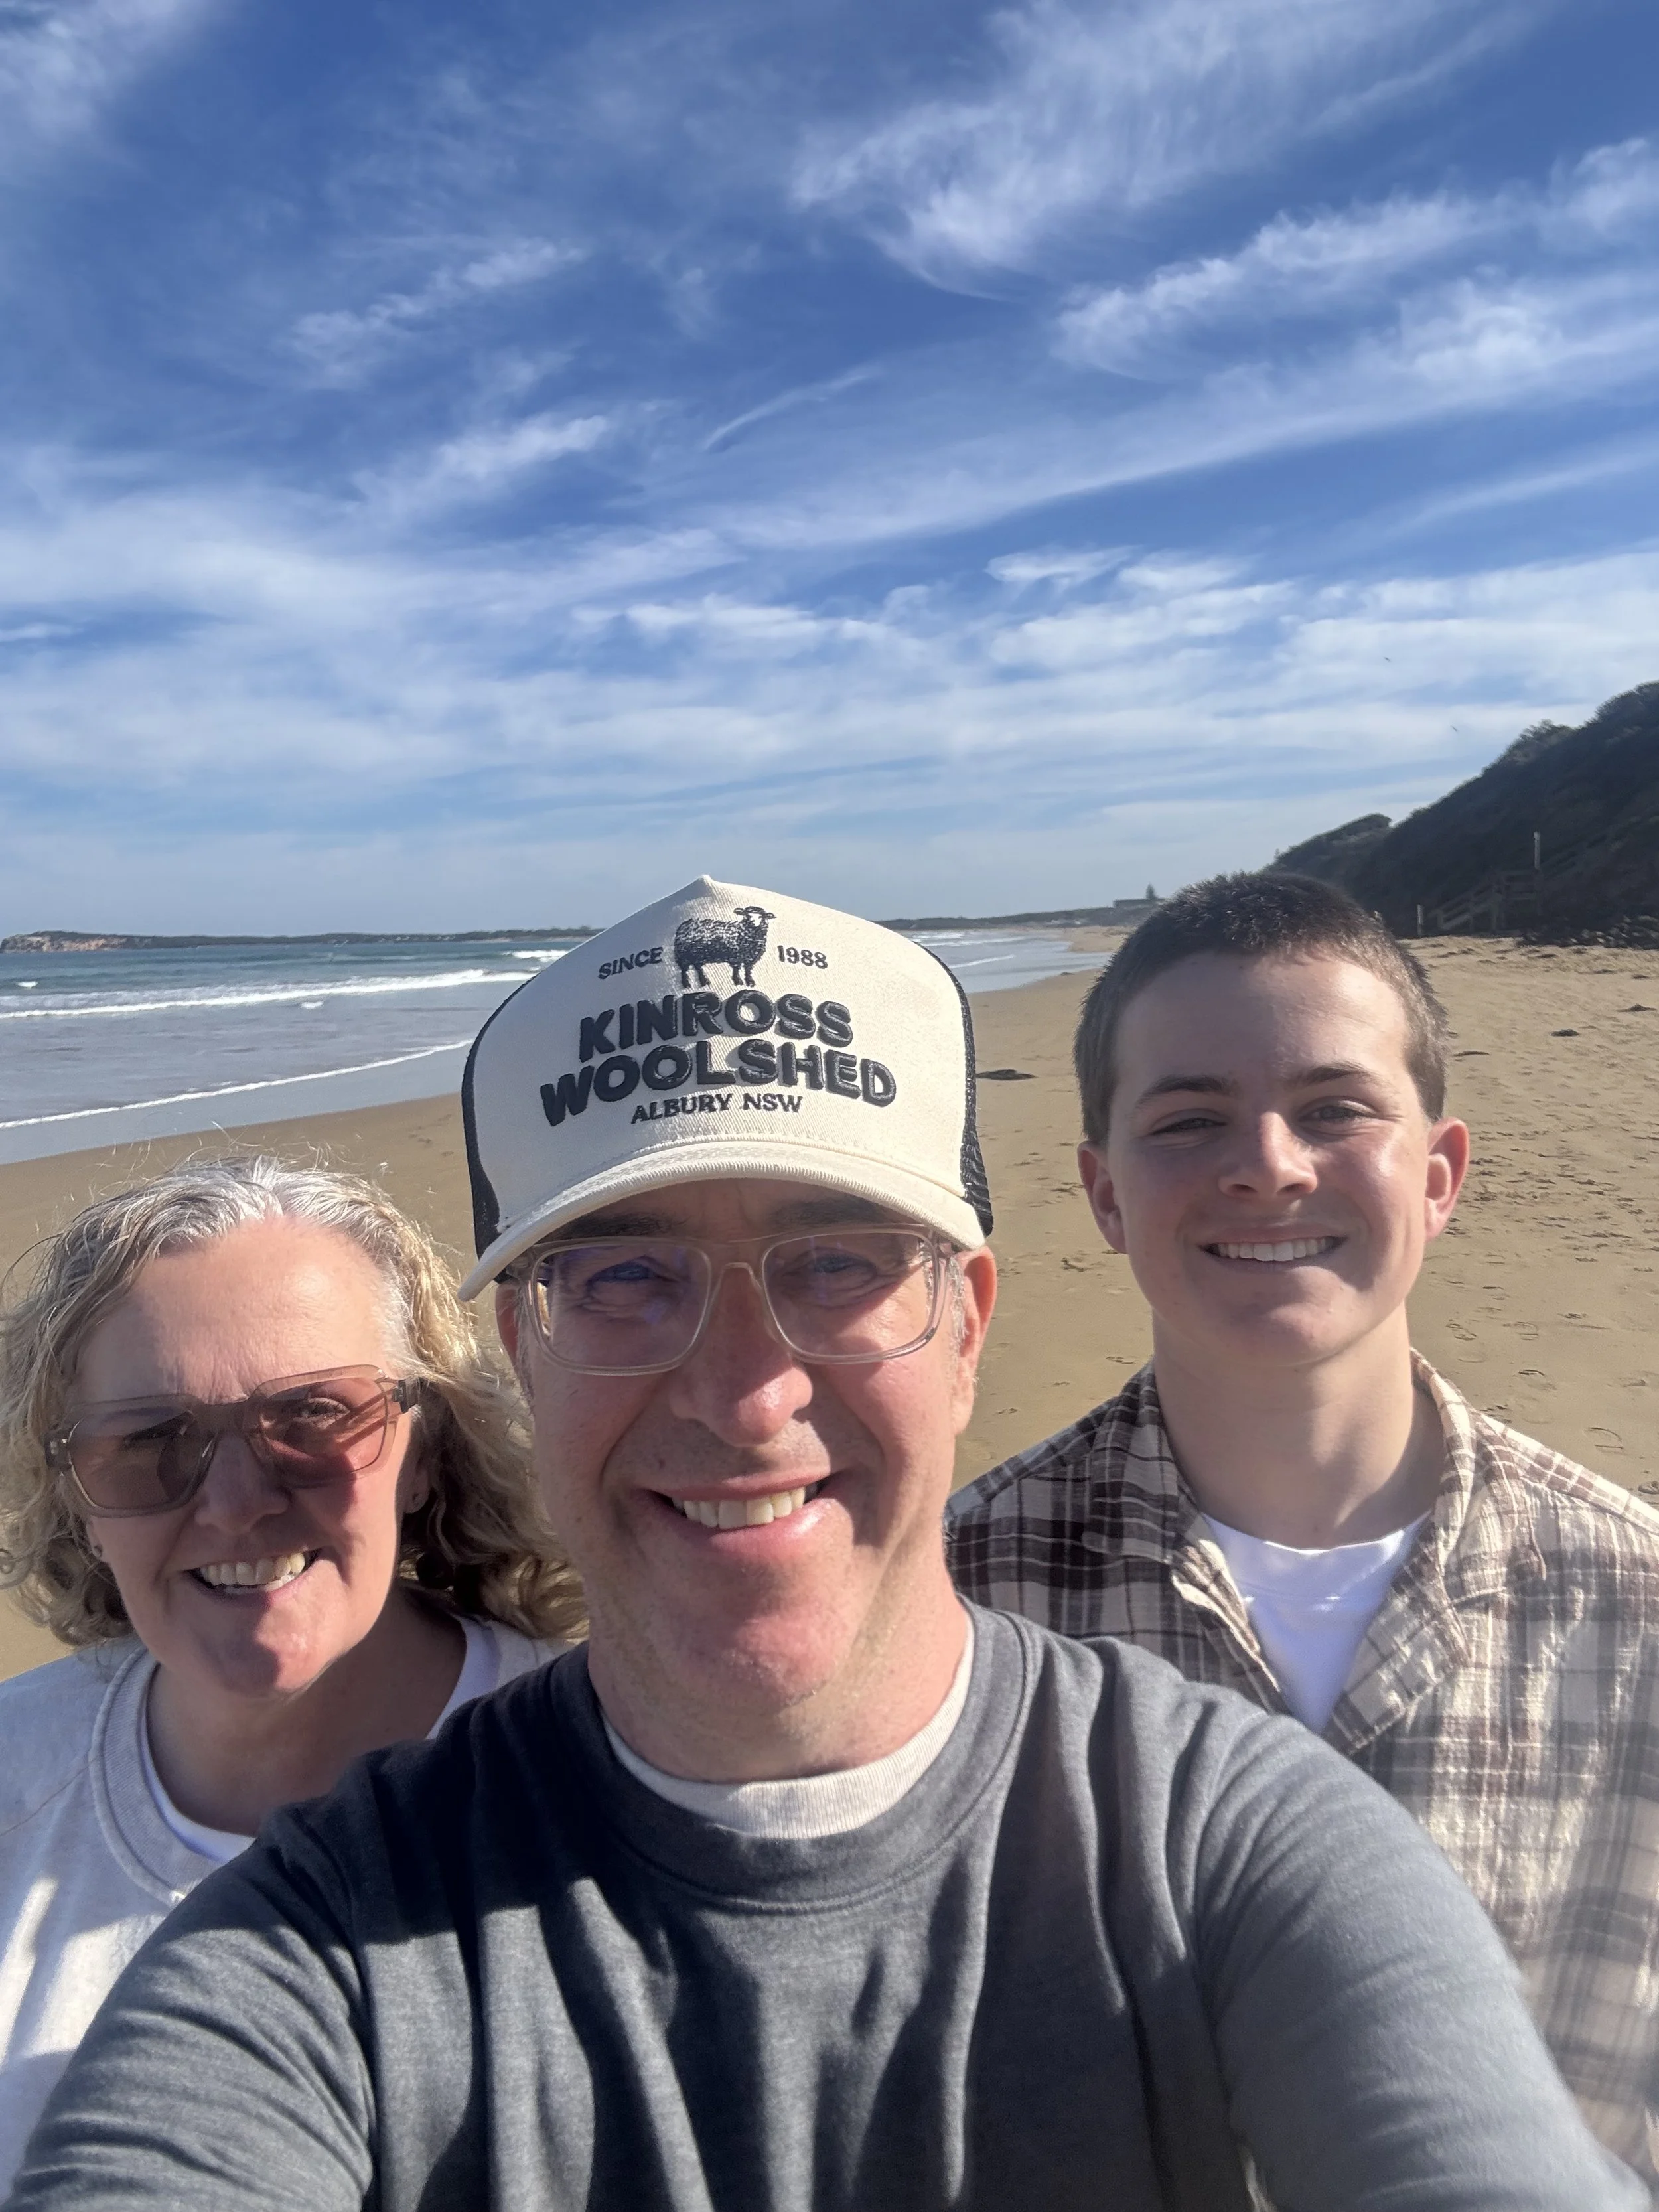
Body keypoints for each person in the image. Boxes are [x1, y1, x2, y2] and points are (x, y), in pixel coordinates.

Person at [10, 879, 1642, 2211]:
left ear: (967, 1323)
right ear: (519, 1344)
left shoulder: (1226, 1838)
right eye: (625, 1276)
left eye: (843, 1261)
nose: (740, 1392)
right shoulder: (332, 1930)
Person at [947, 871, 1659, 2188]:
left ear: (1437, 1174)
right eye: (1188, 1118)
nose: (1265, 1164)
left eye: (1332, 1109)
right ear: (1102, 1196)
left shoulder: (1629, 1601)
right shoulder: (956, 1598)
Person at [0, 1156, 582, 2188]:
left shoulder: (606, 1790)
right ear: (79, 1498)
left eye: (314, 1416)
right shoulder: (17, 1785)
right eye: (150, 1441)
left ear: (426, 1448)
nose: (234, 1502)